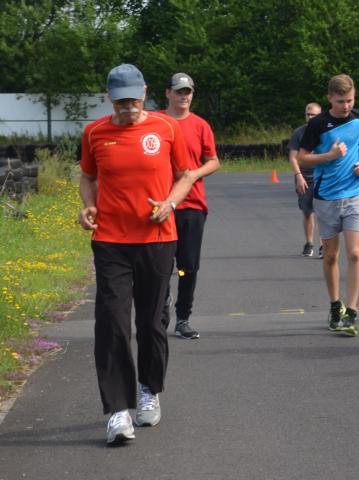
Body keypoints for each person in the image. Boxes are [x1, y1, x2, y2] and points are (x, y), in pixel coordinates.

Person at [78, 64, 194, 444]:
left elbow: (184, 175)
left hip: (158, 240)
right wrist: (88, 207)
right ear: (109, 97)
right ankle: (117, 412)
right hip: (111, 241)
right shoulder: (95, 132)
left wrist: (171, 203)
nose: (128, 108)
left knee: (151, 323)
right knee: (111, 320)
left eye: (134, 100)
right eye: (120, 101)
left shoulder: (166, 128)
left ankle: (149, 390)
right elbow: (88, 177)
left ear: (145, 93)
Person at [298, 74, 359, 337]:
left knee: (355, 253)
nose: (346, 106)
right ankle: (335, 305)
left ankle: (351, 312)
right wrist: (330, 156)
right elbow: (303, 158)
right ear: (330, 98)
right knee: (331, 255)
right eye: (341, 101)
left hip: (355, 193)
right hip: (326, 196)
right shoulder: (319, 124)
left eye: (350, 100)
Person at [160, 73, 221, 340]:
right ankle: (160, 311)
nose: (184, 96)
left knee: (187, 265)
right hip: (161, 205)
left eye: (188, 92)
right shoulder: (157, 122)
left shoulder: (200, 125)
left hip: (192, 205)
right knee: (160, 264)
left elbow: (214, 160)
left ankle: (183, 317)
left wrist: (194, 175)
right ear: (168, 94)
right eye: (179, 91)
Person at [288, 102, 323, 258]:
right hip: (305, 176)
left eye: (314, 115)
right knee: (308, 212)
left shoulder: (326, 132)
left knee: (324, 212)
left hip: (323, 176)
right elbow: (293, 157)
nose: (310, 117)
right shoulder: (299, 133)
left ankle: (324, 245)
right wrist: (298, 176)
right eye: (308, 114)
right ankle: (309, 243)